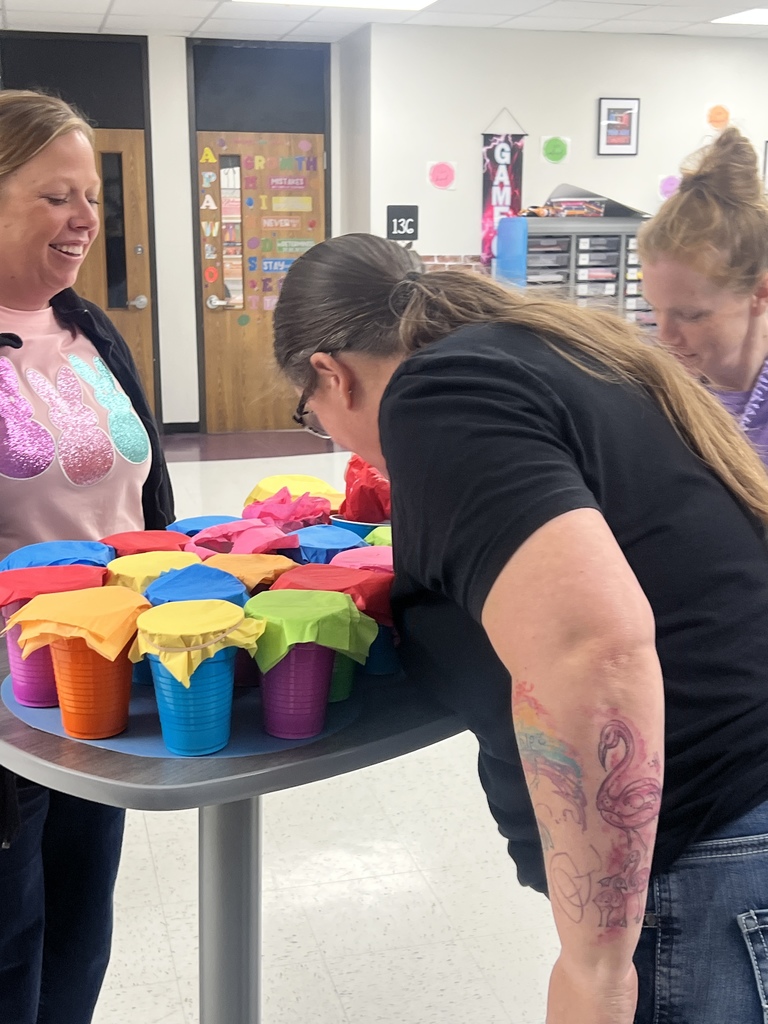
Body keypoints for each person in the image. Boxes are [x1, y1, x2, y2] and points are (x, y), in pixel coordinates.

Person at [272, 232, 768, 1024]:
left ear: (331, 374)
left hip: (710, 852)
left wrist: (596, 971)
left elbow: (595, 652)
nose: (330, 435)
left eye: (313, 416)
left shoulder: (436, 395)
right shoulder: (549, 350)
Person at [0, 90, 173, 1024]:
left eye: (91, 198)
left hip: (103, 673)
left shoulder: (87, 327)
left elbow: (139, 496)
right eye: (55, 196)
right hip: (9, 691)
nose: (84, 219)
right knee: (8, 931)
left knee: (79, 913)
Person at [639, 127, 768, 464]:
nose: (665, 338)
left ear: (761, 293)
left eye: (691, 315)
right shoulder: (660, 395)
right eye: (654, 310)